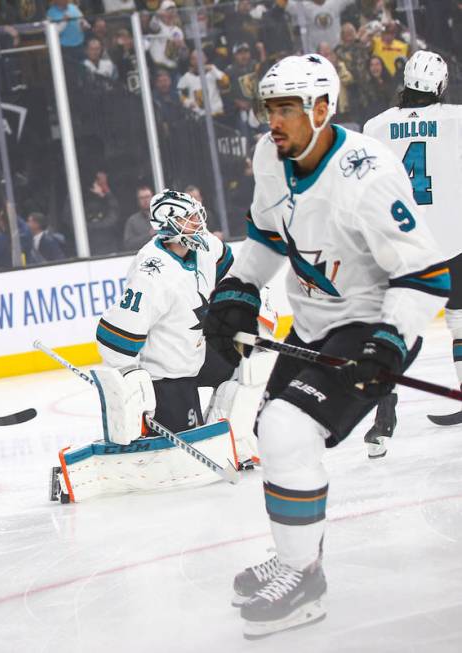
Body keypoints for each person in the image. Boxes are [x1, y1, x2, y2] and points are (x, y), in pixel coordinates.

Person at [203, 54, 448, 639]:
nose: (275, 122)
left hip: (373, 325)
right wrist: (239, 287)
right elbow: (265, 238)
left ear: (322, 108)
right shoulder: (272, 156)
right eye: (270, 110)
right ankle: (299, 555)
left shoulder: (367, 173)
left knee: (289, 431)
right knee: (274, 435)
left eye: (287, 109)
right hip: (315, 323)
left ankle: (302, 581)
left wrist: (388, 346)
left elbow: (425, 275)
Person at [363, 51, 462, 430]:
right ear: (439, 85)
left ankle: (384, 411)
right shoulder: (455, 119)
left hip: (401, 243)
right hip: (453, 238)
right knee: (460, 321)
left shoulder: (376, 126)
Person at [96, 190, 235, 435]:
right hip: (167, 375)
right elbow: (114, 338)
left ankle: (231, 438)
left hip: (197, 354)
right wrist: (131, 379)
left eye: (196, 215)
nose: (198, 223)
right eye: (188, 219)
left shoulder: (205, 246)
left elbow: (234, 272)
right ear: (168, 225)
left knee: (247, 366)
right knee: (184, 448)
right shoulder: (151, 274)